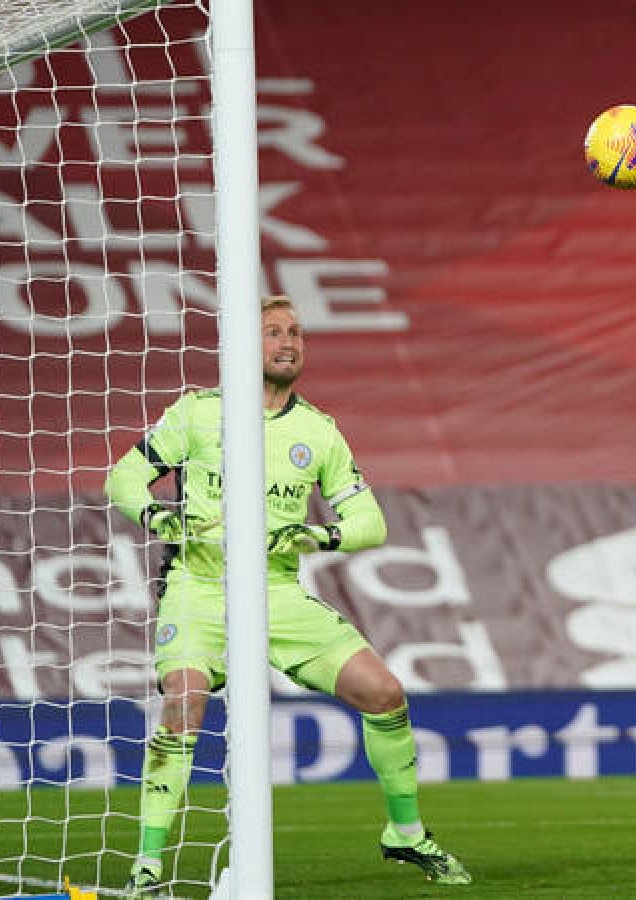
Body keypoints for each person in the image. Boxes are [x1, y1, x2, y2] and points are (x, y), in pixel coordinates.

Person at [106, 296, 471, 894]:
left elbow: (370, 523)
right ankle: (147, 863)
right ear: (244, 345)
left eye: (296, 332)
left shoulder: (316, 430)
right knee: (184, 702)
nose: (289, 341)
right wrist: (155, 513)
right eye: (273, 331)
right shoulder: (199, 414)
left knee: (384, 693)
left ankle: (404, 833)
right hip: (199, 588)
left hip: (276, 592)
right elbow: (121, 475)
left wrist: (317, 534)